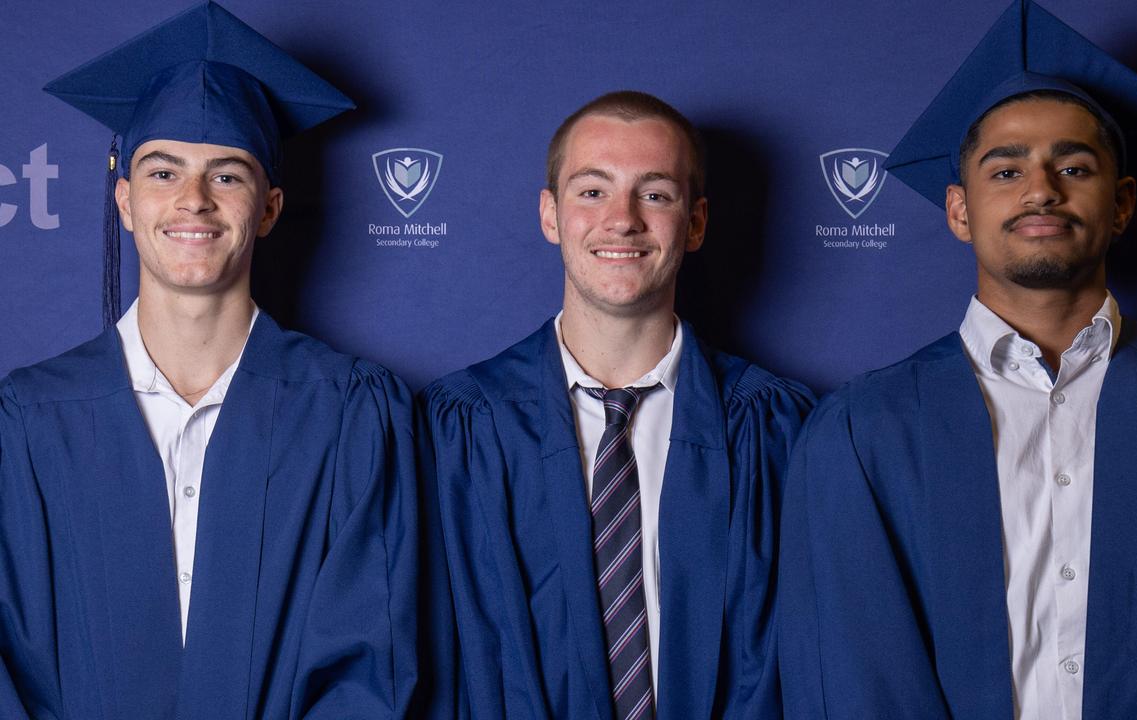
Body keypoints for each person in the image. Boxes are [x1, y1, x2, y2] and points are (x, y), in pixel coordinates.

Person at [779, 1, 1137, 717]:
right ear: (959, 210)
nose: (1042, 188)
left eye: (1073, 166)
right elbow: (859, 678)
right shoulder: (862, 434)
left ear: (1124, 203)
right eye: (1006, 172)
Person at [0, 3, 448, 717]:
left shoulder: (351, 413)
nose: (194, 201)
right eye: (163, 172)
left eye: (228, 176)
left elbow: (372, 665)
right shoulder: (29, 421)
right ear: (124, 200)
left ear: (269, 209)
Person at [422, 90, 813, 718]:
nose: (623, 219)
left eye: (655, 193)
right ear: (550, 215)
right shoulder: (458, 428)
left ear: (696, 222)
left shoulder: (776, 429)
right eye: (592, 191)